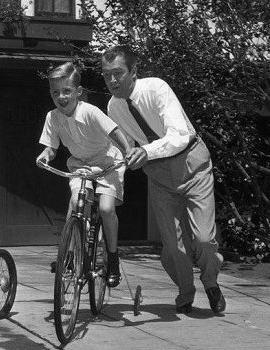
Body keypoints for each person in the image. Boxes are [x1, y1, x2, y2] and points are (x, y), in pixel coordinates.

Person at [101, 45, 225, 314]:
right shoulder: (113, 107)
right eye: (106, 74)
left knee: (203, 238)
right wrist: (112, 181)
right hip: (158, 175)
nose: (112, 81)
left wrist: (145, 151)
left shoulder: (156, 88)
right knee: (173, 245)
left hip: (192, 164)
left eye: (118, 73)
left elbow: (179, 135)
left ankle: (211, 282)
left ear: (133, 72)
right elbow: (126, 149)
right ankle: (185, 293)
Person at [36, 62, 131, 287]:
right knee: (76, 203)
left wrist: (128, 151)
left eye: (67, 91)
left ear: (78, 92)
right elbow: (51, 147)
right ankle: (70, 256)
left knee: (107, 208)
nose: (61, 97)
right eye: (55, 92)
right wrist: (45, 155)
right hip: (80, 166)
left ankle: (113, 258)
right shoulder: (53, 117)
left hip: (108, 163)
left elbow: (114, 131)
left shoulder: (89, 111)